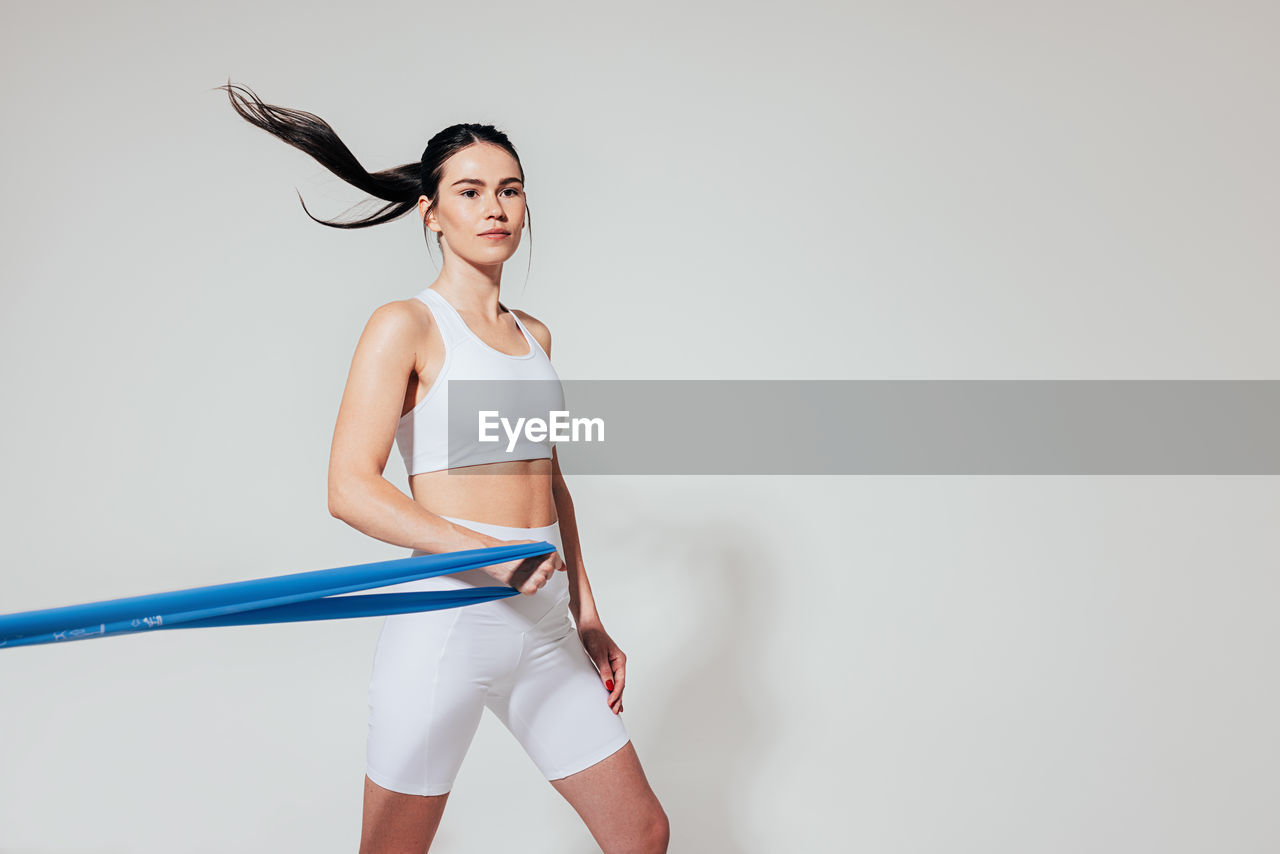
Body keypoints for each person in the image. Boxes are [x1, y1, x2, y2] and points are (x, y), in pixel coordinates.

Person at [218, 82, 669, 854]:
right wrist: (487, 556)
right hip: (448, 621)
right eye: (470, 191)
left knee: (642, 834)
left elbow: (550, 484)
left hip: (544, 619)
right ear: (431, 211)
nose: (495, 208)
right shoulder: (406, 326)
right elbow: (349, 488)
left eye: (510, 190)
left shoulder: (536, 337)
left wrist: (587, 614)